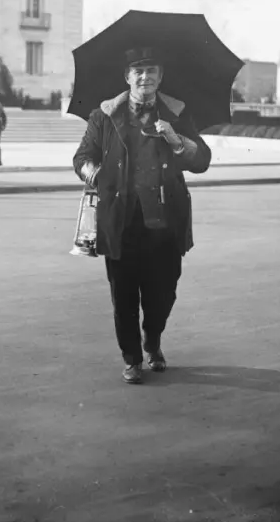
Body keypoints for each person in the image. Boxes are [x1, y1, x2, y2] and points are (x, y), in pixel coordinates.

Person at [72, 46, 212, 385]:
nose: (145, 77)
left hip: (164, 221)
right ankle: (133, 358)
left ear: (160, 77)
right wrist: (98, 175)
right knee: (123, 295)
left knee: (163, 292)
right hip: (120, 220)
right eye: (138, 71)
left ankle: (153, 338)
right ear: (127, 77)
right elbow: (82, 157)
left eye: (151, 71)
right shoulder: (103, 116)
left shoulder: (177, 114)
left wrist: (176, 139)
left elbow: (203, 160)